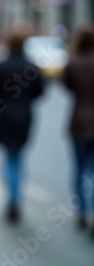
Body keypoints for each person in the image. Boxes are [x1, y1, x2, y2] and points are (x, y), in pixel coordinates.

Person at [0, 23, 44, 223]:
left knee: (10, 157)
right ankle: (16, 199)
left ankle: (13, 199)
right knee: (18, 157)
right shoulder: (31, 66)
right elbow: (39, 91)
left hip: (6, 116)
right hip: (25, 116)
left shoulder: (1, 65)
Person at [62, 24, 94, 236]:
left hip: (79, 123)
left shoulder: (72, 63)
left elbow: (67, 86)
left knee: (80, 169)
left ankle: (82, 210)